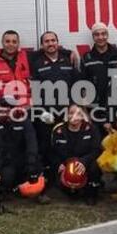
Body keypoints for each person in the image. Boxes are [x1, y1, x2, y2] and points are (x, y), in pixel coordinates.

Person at [30, 31, 78, 168]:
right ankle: (47, 174)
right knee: (45, 145)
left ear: (58, 42)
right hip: (46, 114)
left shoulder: (68, 60)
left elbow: (76, 85)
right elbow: (34, 91)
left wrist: (74, 109)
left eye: (53, 40)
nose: (50, 43)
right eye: (47, 41)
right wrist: (41, 112)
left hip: (66, 112)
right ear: (42, 45)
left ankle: (67, 172)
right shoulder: (36, 63)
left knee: (66, 144)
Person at [0, 100, 45, 204]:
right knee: (7, 176)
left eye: (11, 106)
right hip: (6, 162)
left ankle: (39, 193)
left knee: (36, 167)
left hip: (23, 160)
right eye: (4, 106)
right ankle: (7, 191)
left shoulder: (24, 121)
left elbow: (32, 143)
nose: (7, 109)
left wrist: (31, 162)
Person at [50, 104, 102, 204]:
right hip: (65, 165)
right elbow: (52, 152)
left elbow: (96, 150)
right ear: (67, 115)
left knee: (95, 166)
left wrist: (83, 162)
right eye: (71, 113)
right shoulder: (58, 130)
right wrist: (59, 164)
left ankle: (91, 193)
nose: (74, 117)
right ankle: (69, 188)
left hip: (84, 163)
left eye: (79, 114)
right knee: (71, 195)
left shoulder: (92, 129)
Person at [80, 23, 117, 131]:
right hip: (95, 109)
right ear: (93, 37)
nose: (100, 37)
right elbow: (82, 86)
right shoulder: (87, 57)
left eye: (103, 34)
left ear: (107, 35)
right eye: (97, 34)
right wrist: (85, 112)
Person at [0, 30, 32, 108]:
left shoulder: (27, 58)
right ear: (2, 43)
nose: (11, 44)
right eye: (7, 41)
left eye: (14, 42)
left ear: (18, 43)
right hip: (4, 108)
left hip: (25, 107)